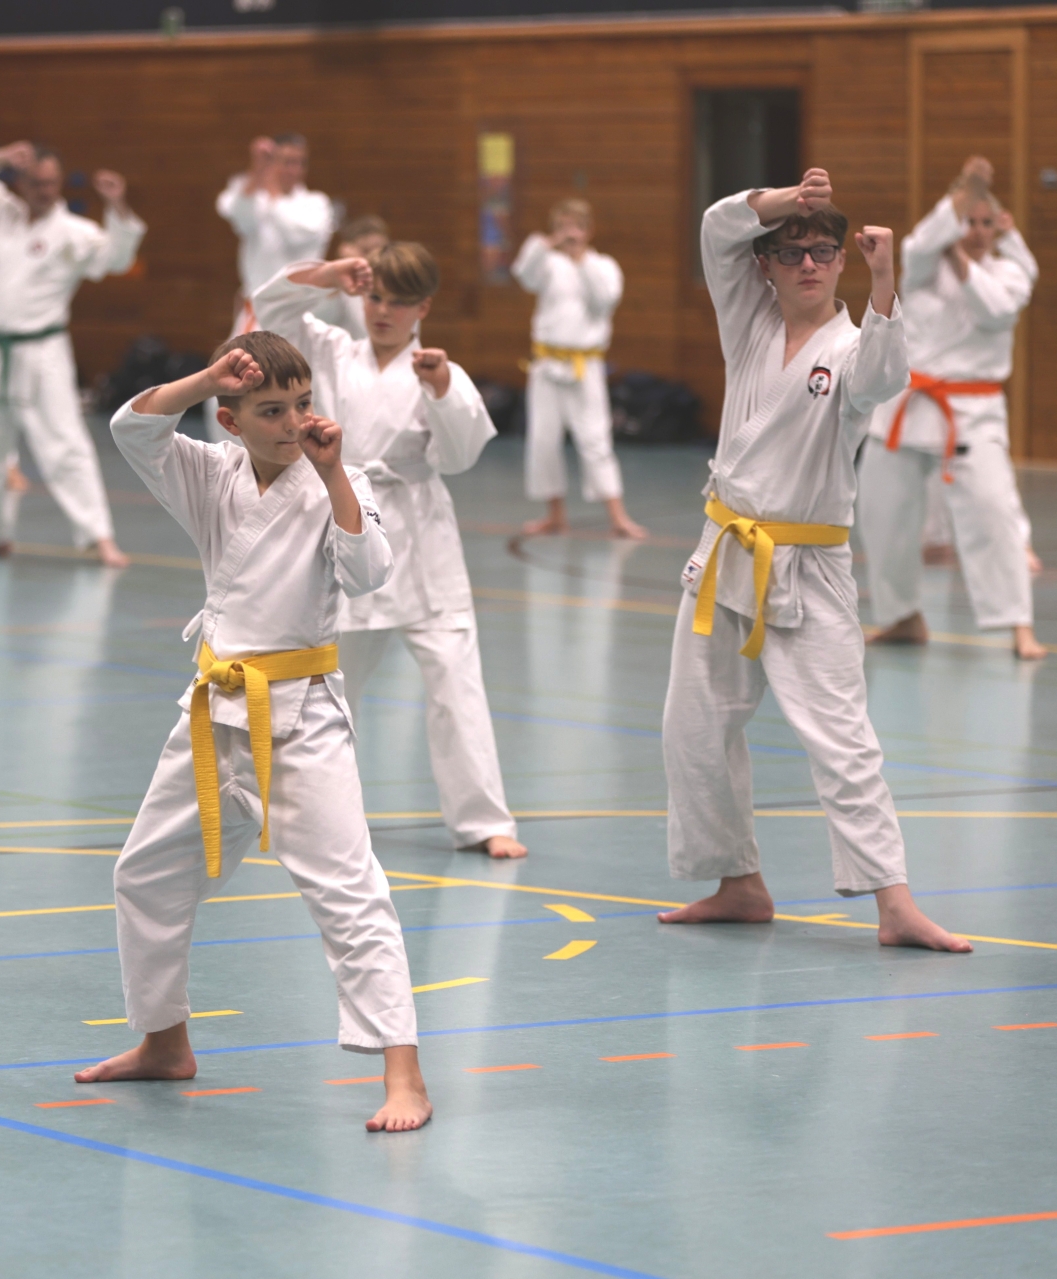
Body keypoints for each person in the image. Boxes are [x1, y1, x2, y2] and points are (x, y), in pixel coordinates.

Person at [80, 334, 432, 1133]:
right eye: (271, 411)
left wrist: (333, 472)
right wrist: (206, 377)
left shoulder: (342, 480)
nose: (294, 423)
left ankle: (404, 1073)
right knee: (145, 873)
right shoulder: (211, 473)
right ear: (230, 421)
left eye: (302, 404)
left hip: (302, 718)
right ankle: (164, 1041)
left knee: (349, 889)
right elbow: (132, 428)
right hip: (215, 708)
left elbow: (370, 573)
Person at [659, 169, 970, 953]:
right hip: (724, 551)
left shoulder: (854, 347)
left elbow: (886, 376)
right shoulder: (748, 321)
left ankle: (894, 901)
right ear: (763, 265)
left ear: (841, 263)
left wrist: (886, 278)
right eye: (791, 252)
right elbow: (716, 228)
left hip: (810, 567)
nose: (809, 264)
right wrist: (783, 202)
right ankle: (738, 882)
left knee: (841, 737)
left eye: (824, 252)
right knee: (693, 727)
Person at [254, 244, 527, 860]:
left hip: (421, 536)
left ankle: (483, 821)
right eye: (375, 297)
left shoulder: (437, 372)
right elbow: (271, 306)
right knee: (327, 685)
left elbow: (459, 458)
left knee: (456, 679)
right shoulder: (330, 349)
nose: (382, 312)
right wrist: (329, 275)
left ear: (423, 307)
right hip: (345, 523)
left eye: (399, 303)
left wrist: (442, 390)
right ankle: (299, 809)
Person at [860, 156, 1046, 661]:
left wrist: (960, 258)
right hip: (907, 405)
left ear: (999, 228)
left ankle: (1018, 625)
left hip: (972, 411)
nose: (976, 231)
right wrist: (968, 188)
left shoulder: (1012, 272)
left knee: (993, 512)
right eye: (967, 221)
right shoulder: (925, 268)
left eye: (986, 222)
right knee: (881, 512)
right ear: (953, 222)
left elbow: (994, 310)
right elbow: (916, 246)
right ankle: (901, 616)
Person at [0, 140, 142, 567]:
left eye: (52, 183)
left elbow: (116, 258)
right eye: (36, 183)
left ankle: (98, 537)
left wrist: (117, 206)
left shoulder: (74, 233)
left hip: (44, 352)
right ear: (20, 182)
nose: (45, 191)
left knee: (65, 445)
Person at [512, 198, 647, 540]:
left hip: (586, 366)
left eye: (576, 226)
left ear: (589, 230)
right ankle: (554, 515)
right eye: (563, 226)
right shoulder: (548, 263)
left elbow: (605, 300)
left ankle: (617, 516)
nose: (570, 233)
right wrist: (547, 243)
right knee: (543, 441)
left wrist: (580, 260)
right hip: (546, 365)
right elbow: (523, 273)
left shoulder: (603, 266)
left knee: (595, 439)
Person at [205, 135, 339, 443]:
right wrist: (257, 170)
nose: (293, 169)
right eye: (285, 162)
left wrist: (271, 191)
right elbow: (233, 211)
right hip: (255, 314)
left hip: (302, 313)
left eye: (299, 163)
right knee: (229, 389)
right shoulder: (257, 196)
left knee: (305, 391)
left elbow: (297, 233)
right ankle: (234, 459)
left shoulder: (315, 204)